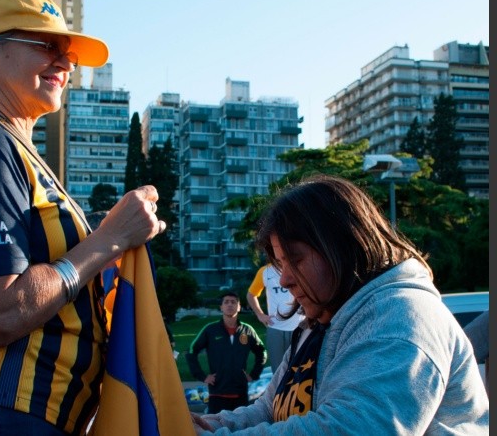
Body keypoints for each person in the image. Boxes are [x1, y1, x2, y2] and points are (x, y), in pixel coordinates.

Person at [0, 0, 165, 435]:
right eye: (46, 46)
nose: (66, 63)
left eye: (68, 54)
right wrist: (109, 238)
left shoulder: (11, 150)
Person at [192, 175, 489, 435]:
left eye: (295, 260)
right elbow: (268, 409)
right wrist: (202, 426)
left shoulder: (402, 316)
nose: (284, 281)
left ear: (345, 247)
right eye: (280, 264)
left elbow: (352, 429)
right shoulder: (317, 322)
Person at [186, 291, 267, 413]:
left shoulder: (247, 330)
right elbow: (191, 352)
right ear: (221, 307)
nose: (230, 305)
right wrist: (202, 376)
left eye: (233, 302)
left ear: (239, 307)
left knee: (241, 430)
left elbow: (262, 351)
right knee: (216, 430)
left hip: (241, 394)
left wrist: (254, 374)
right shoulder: (210, 330)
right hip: (217, 393)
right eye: (226, 302)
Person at [246, 263, 304, 369]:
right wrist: (260, 315)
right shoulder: (265, 271)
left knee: (300, 368)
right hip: (275, 328)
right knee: (278, 370)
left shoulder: (300, 267)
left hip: (300, 327)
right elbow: (251, 295)